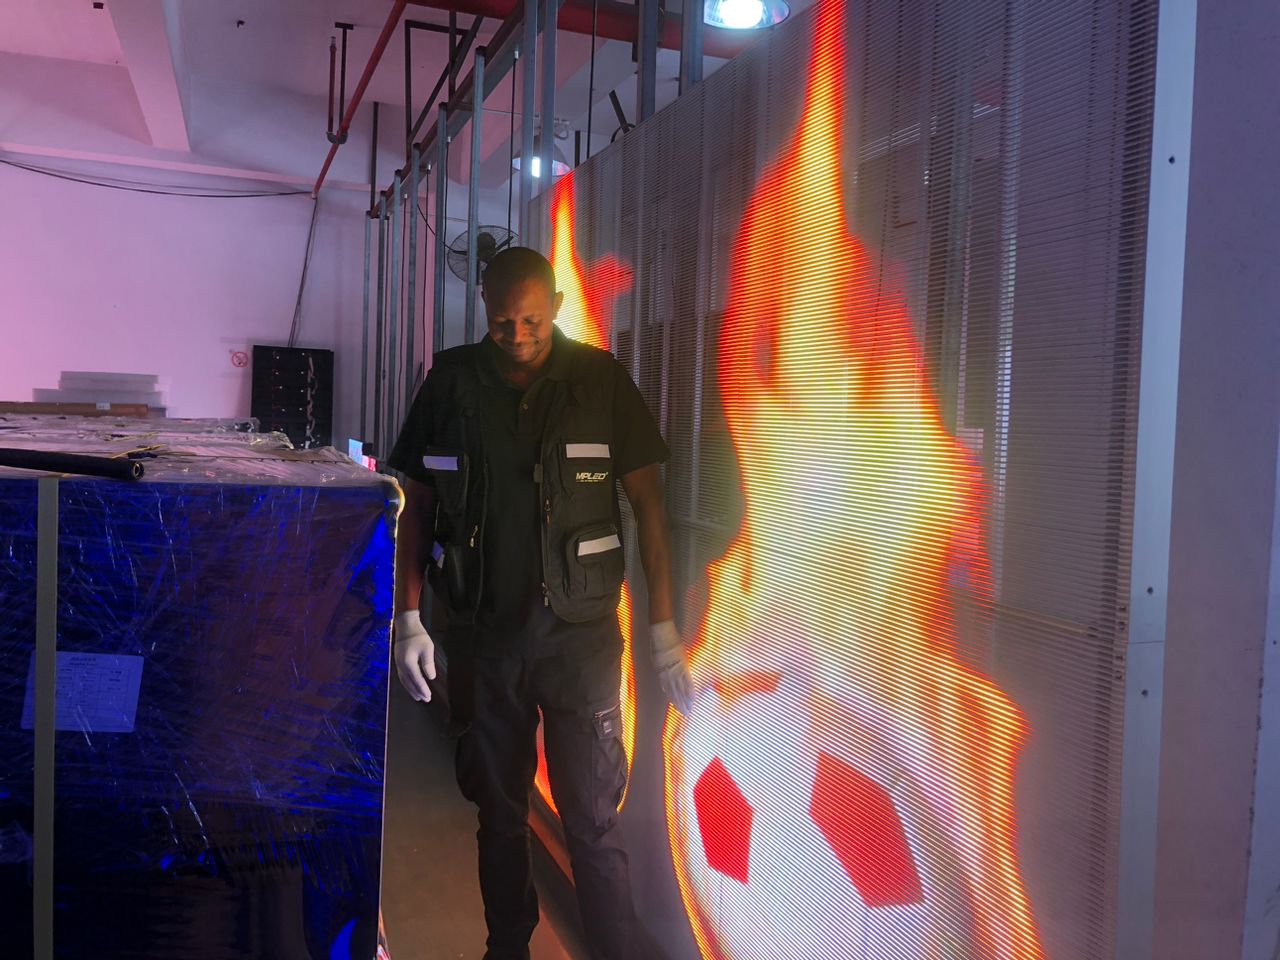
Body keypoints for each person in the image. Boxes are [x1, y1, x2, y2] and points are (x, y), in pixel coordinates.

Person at [386, 246, 694, 960]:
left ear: (555, 306)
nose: (518, 336)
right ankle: (508, 949)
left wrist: (663, 630)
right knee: (499, 816)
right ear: (484, 310)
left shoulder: (600, 382)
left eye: (532, 321)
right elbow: (417, 507)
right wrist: (409, 619)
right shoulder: (451, 384)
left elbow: (651, 509)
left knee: (592, 822)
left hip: (581, 643)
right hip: (483, 639)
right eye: (503, 324)